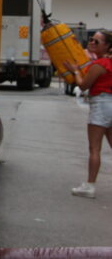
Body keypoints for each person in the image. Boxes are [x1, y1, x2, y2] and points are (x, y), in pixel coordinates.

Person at [64, 30, 112, 198]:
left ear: (106, 45)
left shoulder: (100, 64)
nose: (91, 43)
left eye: (96, 41)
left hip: (101, 104)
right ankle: (89, 185)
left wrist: (76, 71)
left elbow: (83, 85)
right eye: (91, 39)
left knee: (94, 148)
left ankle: (90, 186)